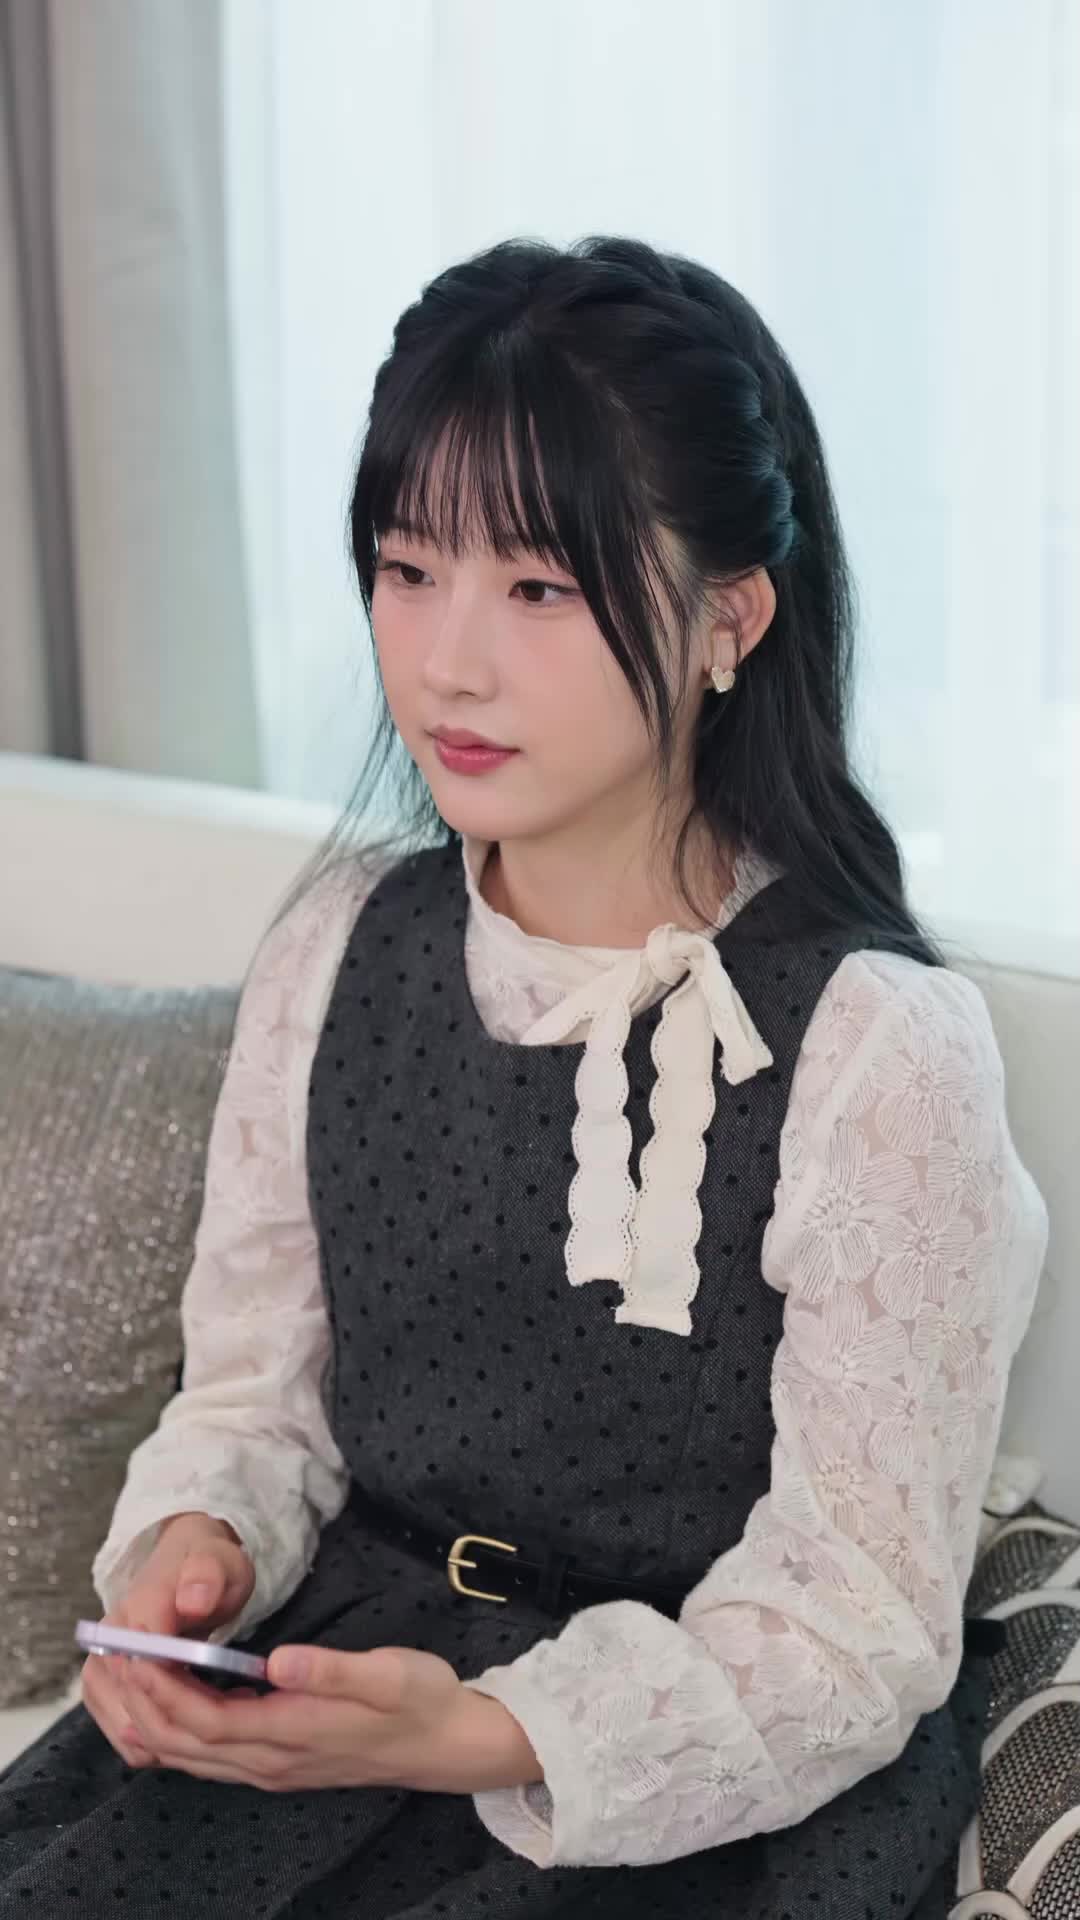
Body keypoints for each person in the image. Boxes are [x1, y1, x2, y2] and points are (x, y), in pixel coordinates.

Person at [0, 235, 1048, 1919]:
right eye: (409, 569)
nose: (448, 663)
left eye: (539, 590)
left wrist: (488, 1731)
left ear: (728, 619)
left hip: (675, 1783)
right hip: (340, 1691)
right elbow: (255, 1396)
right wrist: (193, 1561)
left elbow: (855, 1616)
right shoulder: (336, 949)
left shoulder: (876, 1048)